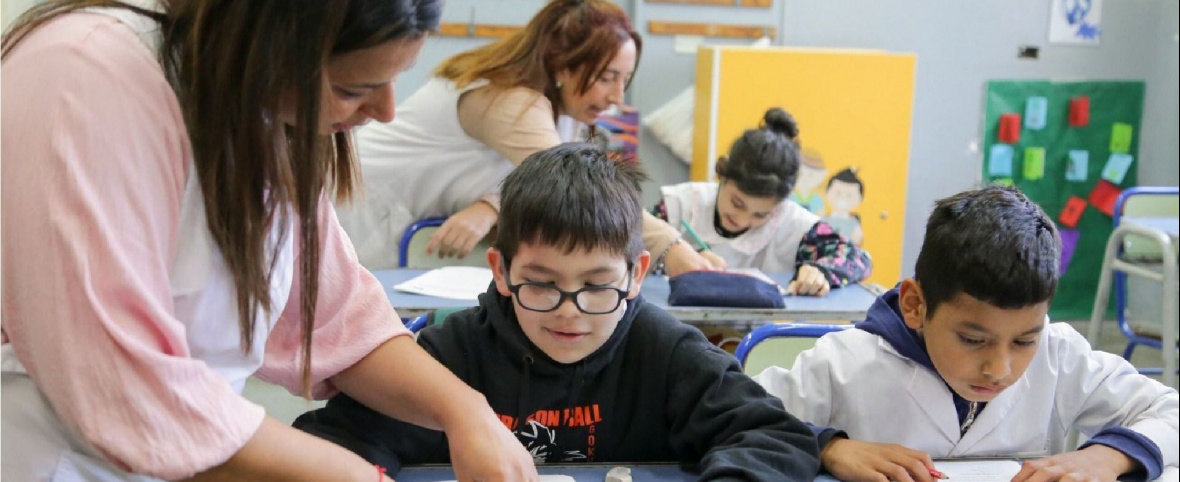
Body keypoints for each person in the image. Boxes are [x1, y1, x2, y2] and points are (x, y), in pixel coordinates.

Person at [1, 1, 538, 481]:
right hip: (50, 457)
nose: (385, 112)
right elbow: (118, 382)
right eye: (352, 89)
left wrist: (465, 412)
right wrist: (346, 473)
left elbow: (336, 319)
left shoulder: (258, 112)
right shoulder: (86, 76)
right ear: (266, 42)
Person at [294, 143, 823, 480]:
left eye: (596, 286)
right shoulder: (452, 355)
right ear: (500, 271)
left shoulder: (667, 350)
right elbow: (335, 438)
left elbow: (774, 437)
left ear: (637, 275)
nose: (570, 313)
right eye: (542, 285)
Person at [754, 185, 1179, 482]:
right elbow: (738, 420)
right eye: (973, 340)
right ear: (915, 306)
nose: (999, 368)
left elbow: (1170, 412)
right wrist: (827, 447)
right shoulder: (843, 362)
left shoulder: (1061, 355)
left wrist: (1109, 456)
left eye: (1024, 340)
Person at [335, 0, 716, 276]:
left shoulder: (563, 111)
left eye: (625, 81)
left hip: (403, 229)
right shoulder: (509, 100)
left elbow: (542, 182)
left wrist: (491, 205)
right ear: (562, 64)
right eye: (606, 78)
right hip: (358, 209)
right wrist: (671, 248)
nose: (617, 98)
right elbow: (580, 190)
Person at [653, 108, 872, 296]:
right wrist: (677, 255)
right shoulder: (679, 206)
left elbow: (858, 258)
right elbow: (628, 249)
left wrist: (821, 271)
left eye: (761, 215)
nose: (743, 219)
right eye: (737, 203)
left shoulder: (795, 224)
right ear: (723, 175)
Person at [822, 167, 866, 246]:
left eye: (849, 195)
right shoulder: (823, 219)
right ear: (827, 191)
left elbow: (857, 241)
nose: (843, 198)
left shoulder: (854, 223)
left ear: (861, 198)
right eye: (838, 193)